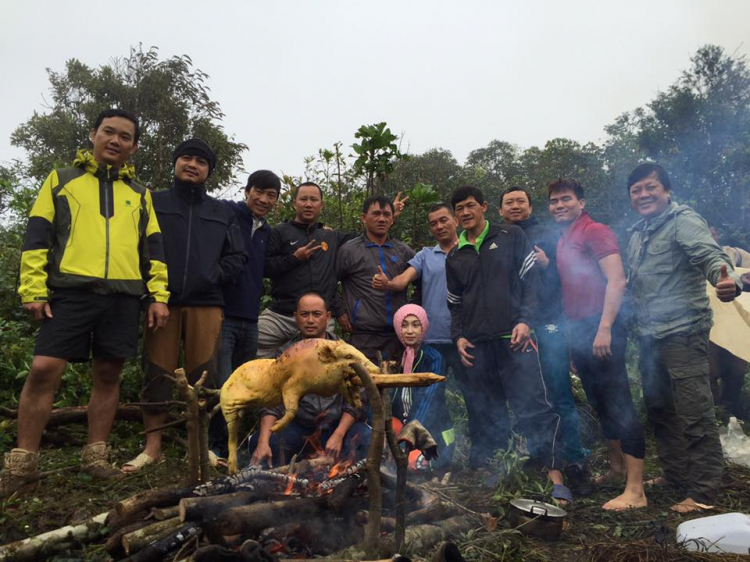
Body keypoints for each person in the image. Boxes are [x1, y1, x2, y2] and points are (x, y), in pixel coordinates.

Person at [2, 109, 170, 496]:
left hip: (123, 297)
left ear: (134, 147)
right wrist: (33, 288)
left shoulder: (140, 194)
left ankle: (95, 456)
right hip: (70, 292)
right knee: (44, 368)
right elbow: (37, 235)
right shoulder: (62, 181)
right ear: (93, 134)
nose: (115, 140)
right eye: (108, 132)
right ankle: (22, 461)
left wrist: (158, 295)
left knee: (108, 374)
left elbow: (154, 249)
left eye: (125, 136)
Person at [122, 139, 246, 472]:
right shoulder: (152, 202)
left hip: (207, 303)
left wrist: (211, 275)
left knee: (205, 375)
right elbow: (134, 247)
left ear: (209, 171)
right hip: (160, 301)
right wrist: (149, 292)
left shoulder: (222, 211)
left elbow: (237, 256)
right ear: (176, 163)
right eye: (187, 158)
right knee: (157, 371)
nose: (193, 164)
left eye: (201, 161)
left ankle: (202, 448)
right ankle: (152, 448)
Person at [625, 163, 742, 512]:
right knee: (660, 408)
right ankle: (675, 474)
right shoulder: (637, 232)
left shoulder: (683, 221)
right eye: (636, 190)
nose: (644, 195)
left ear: (667, 191)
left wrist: (727, 281)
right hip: (649, 334)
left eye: (650, 188)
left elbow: (712, 257)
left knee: (695, 411)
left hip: (683, 332)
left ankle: (703, 492)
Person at [446, 186, 570, 503]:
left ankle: (554, 475)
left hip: (515, 339)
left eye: (470, 206)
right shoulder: (454, 255)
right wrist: (458, 336)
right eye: (459, 208)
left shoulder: (511, 235)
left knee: (534, 408)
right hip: (477, 345)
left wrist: (525, 320)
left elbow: (532, 282)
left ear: (484, 207)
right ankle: (500, 473)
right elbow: (455, 304)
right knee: (489, 412)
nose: (464, 213)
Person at [550, 178, 647, 510]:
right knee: (599, 401)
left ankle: (637, 489)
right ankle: (617, 466)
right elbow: (571, 290)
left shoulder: (595, 230)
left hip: (602, 326)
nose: (559, 205)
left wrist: (604, 328)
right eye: (554, 201)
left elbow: (617, 279)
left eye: (566, 199)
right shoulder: (565, 239)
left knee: (619, 403)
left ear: (581, 201)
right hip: (579, 331)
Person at [499, 186, 589, 491]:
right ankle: (538, 456)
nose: (514, 206)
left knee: (559, 394)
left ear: (529, 205)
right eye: (508, 202)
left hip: (549, 324)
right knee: (527, 399)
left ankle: (575, 460)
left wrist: (548, 266)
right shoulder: (498, 239)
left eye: (520, 201)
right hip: (515, 328)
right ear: (499, 210)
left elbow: (569, 278)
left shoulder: (547, 235)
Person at [248, 292, 370, 467]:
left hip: (338, 426)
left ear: (328, 317)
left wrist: (339, 434)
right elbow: (272, 403)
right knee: (265, 444)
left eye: (316, 314)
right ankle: (286, 488)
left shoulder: (345, 352)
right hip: (300, 428)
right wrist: (263, 441)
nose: (310, 320)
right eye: (304, 314)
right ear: (295, 317)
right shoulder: (284, 355)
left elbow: (357, 400)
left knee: (367, 440)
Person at [209, 170, 281, 459]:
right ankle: (213, 446)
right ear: (247, 190)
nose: (263, 199)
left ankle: (232, 443)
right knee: (223, 382)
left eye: (271, 195)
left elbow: (271, 267)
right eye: (259, 192)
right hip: (223, 314)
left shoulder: (266, 231)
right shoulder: (227, 212)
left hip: (250, 318)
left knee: (243, 386)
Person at [257, 182, 351, 358]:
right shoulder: (279, 232)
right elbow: (265, 268)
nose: (308, 204)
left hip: (318, 318)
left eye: (314, 200)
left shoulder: (330, 236)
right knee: (249, 344)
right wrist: (294, 259)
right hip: (281, 315)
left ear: (321, 205)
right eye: (304, 199)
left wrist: (391, 216)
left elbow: (364, 236)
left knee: (324, 366)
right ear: (294, 203)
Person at [337, 196, 415, 363]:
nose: (382, 219)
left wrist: (412, 310)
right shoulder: (349, 250)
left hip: (398, 337)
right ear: (364, 218)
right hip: (363, 337)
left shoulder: (403, 251)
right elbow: (328, 281)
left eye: (387, 214)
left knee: (397, 386)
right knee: (364, 386)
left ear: (392, 219)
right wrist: (340, 311)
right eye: (376, 214)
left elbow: (422, 281)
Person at [391, 304, 455, 473]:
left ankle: (431, 464)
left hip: (430, 431)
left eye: (415, 324)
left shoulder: (434, 358)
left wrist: (407, 439)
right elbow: (380, 401)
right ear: (398, 328)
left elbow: (428, 402)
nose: (409, 331)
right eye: (404, 325)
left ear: (423, 327)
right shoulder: (392, 358)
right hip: (402, 428)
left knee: (415, 463)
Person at [707, 227, 749, 419]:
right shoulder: (688, 258)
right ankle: (715, 417)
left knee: (737, 369)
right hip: (709, 325)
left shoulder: (734, 254)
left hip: (736, 323)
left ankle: (729, 409)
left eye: (712, 234)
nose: (710, 237)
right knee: (710, 371)